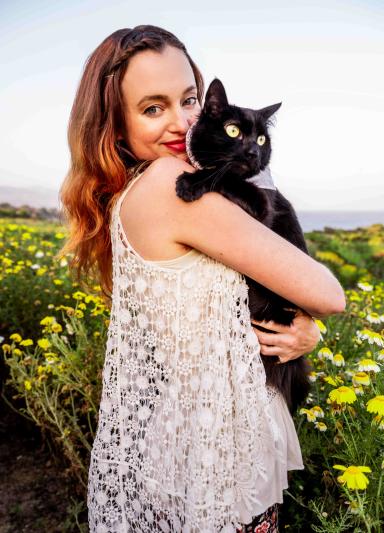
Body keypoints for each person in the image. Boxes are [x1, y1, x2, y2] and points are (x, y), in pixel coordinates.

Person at [59, 25, 345, 533]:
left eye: (189, 99)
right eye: (153, 108)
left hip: (180, 433)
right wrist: (313, 325)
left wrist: (300, 329)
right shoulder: (171, 184)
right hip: (221, 447)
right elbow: (328, 294)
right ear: (115, 125)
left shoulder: (127, 195)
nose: (182, 121)